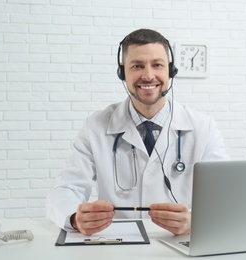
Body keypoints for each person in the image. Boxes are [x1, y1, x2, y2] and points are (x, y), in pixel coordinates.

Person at [46, 28, 229, 236]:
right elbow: (64, 190)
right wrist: (74, 218)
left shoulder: (203, 128)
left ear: (171, 71)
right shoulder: (95, 127)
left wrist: (196, 221)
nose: (148, 75)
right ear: (122, 73)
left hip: (178, 246)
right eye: (137, 66)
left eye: (157, 65)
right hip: (118, 243)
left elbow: (225, 197)